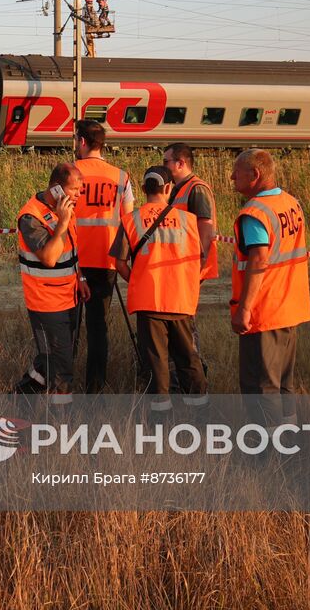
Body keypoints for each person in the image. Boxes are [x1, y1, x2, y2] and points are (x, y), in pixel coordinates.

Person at [229, 149, 310, 427]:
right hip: (290, 307)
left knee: (260, 387)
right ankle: (289, 441)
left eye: (236, 172)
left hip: (265, 312)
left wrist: (244, 308)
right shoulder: (290, 202)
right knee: (283, 385)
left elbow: (259, 258)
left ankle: (268, 453)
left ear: (254, 174)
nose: (231, 177)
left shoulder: (254, 213)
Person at [111, 166, 206, 409]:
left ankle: (159, 420)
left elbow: (119, 263)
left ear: (143, 189)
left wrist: (138, 279)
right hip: (181, 300)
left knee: (157, 363)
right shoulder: (189, 220)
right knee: (189, 360)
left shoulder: (130, 219)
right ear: (168, 188)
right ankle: (199, 415)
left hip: (149, 302)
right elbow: (200, 257)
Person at [13, 163, 86, 397]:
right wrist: (63, 222)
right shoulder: (31, 217)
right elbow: (49, 258)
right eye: (75, 190)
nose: (78, 195)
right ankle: (59, 421)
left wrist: (81, 277)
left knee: (55, 356)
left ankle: (22, 396)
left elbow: (72, 249)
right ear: (57, 189)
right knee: (61, 366)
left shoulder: (65, 209)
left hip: (69, 295)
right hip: (47, 302)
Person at [73, 119, 135, 393]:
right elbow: (130, 222)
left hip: (72, 262)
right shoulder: (121, 177)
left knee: (68, 328)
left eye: (75, 139)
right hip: (107, 262)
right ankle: (95, 389)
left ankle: (61, 385)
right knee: (98, 329)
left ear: (82, 141)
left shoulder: (68, 173)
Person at [162, 142, 218, 281]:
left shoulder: (197, 188)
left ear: (180, 163)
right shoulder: (179, 189)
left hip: (190, 263)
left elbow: (205, 227)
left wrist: (199, 263)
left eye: (166, 162)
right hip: (182, 261)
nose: (163, 166)